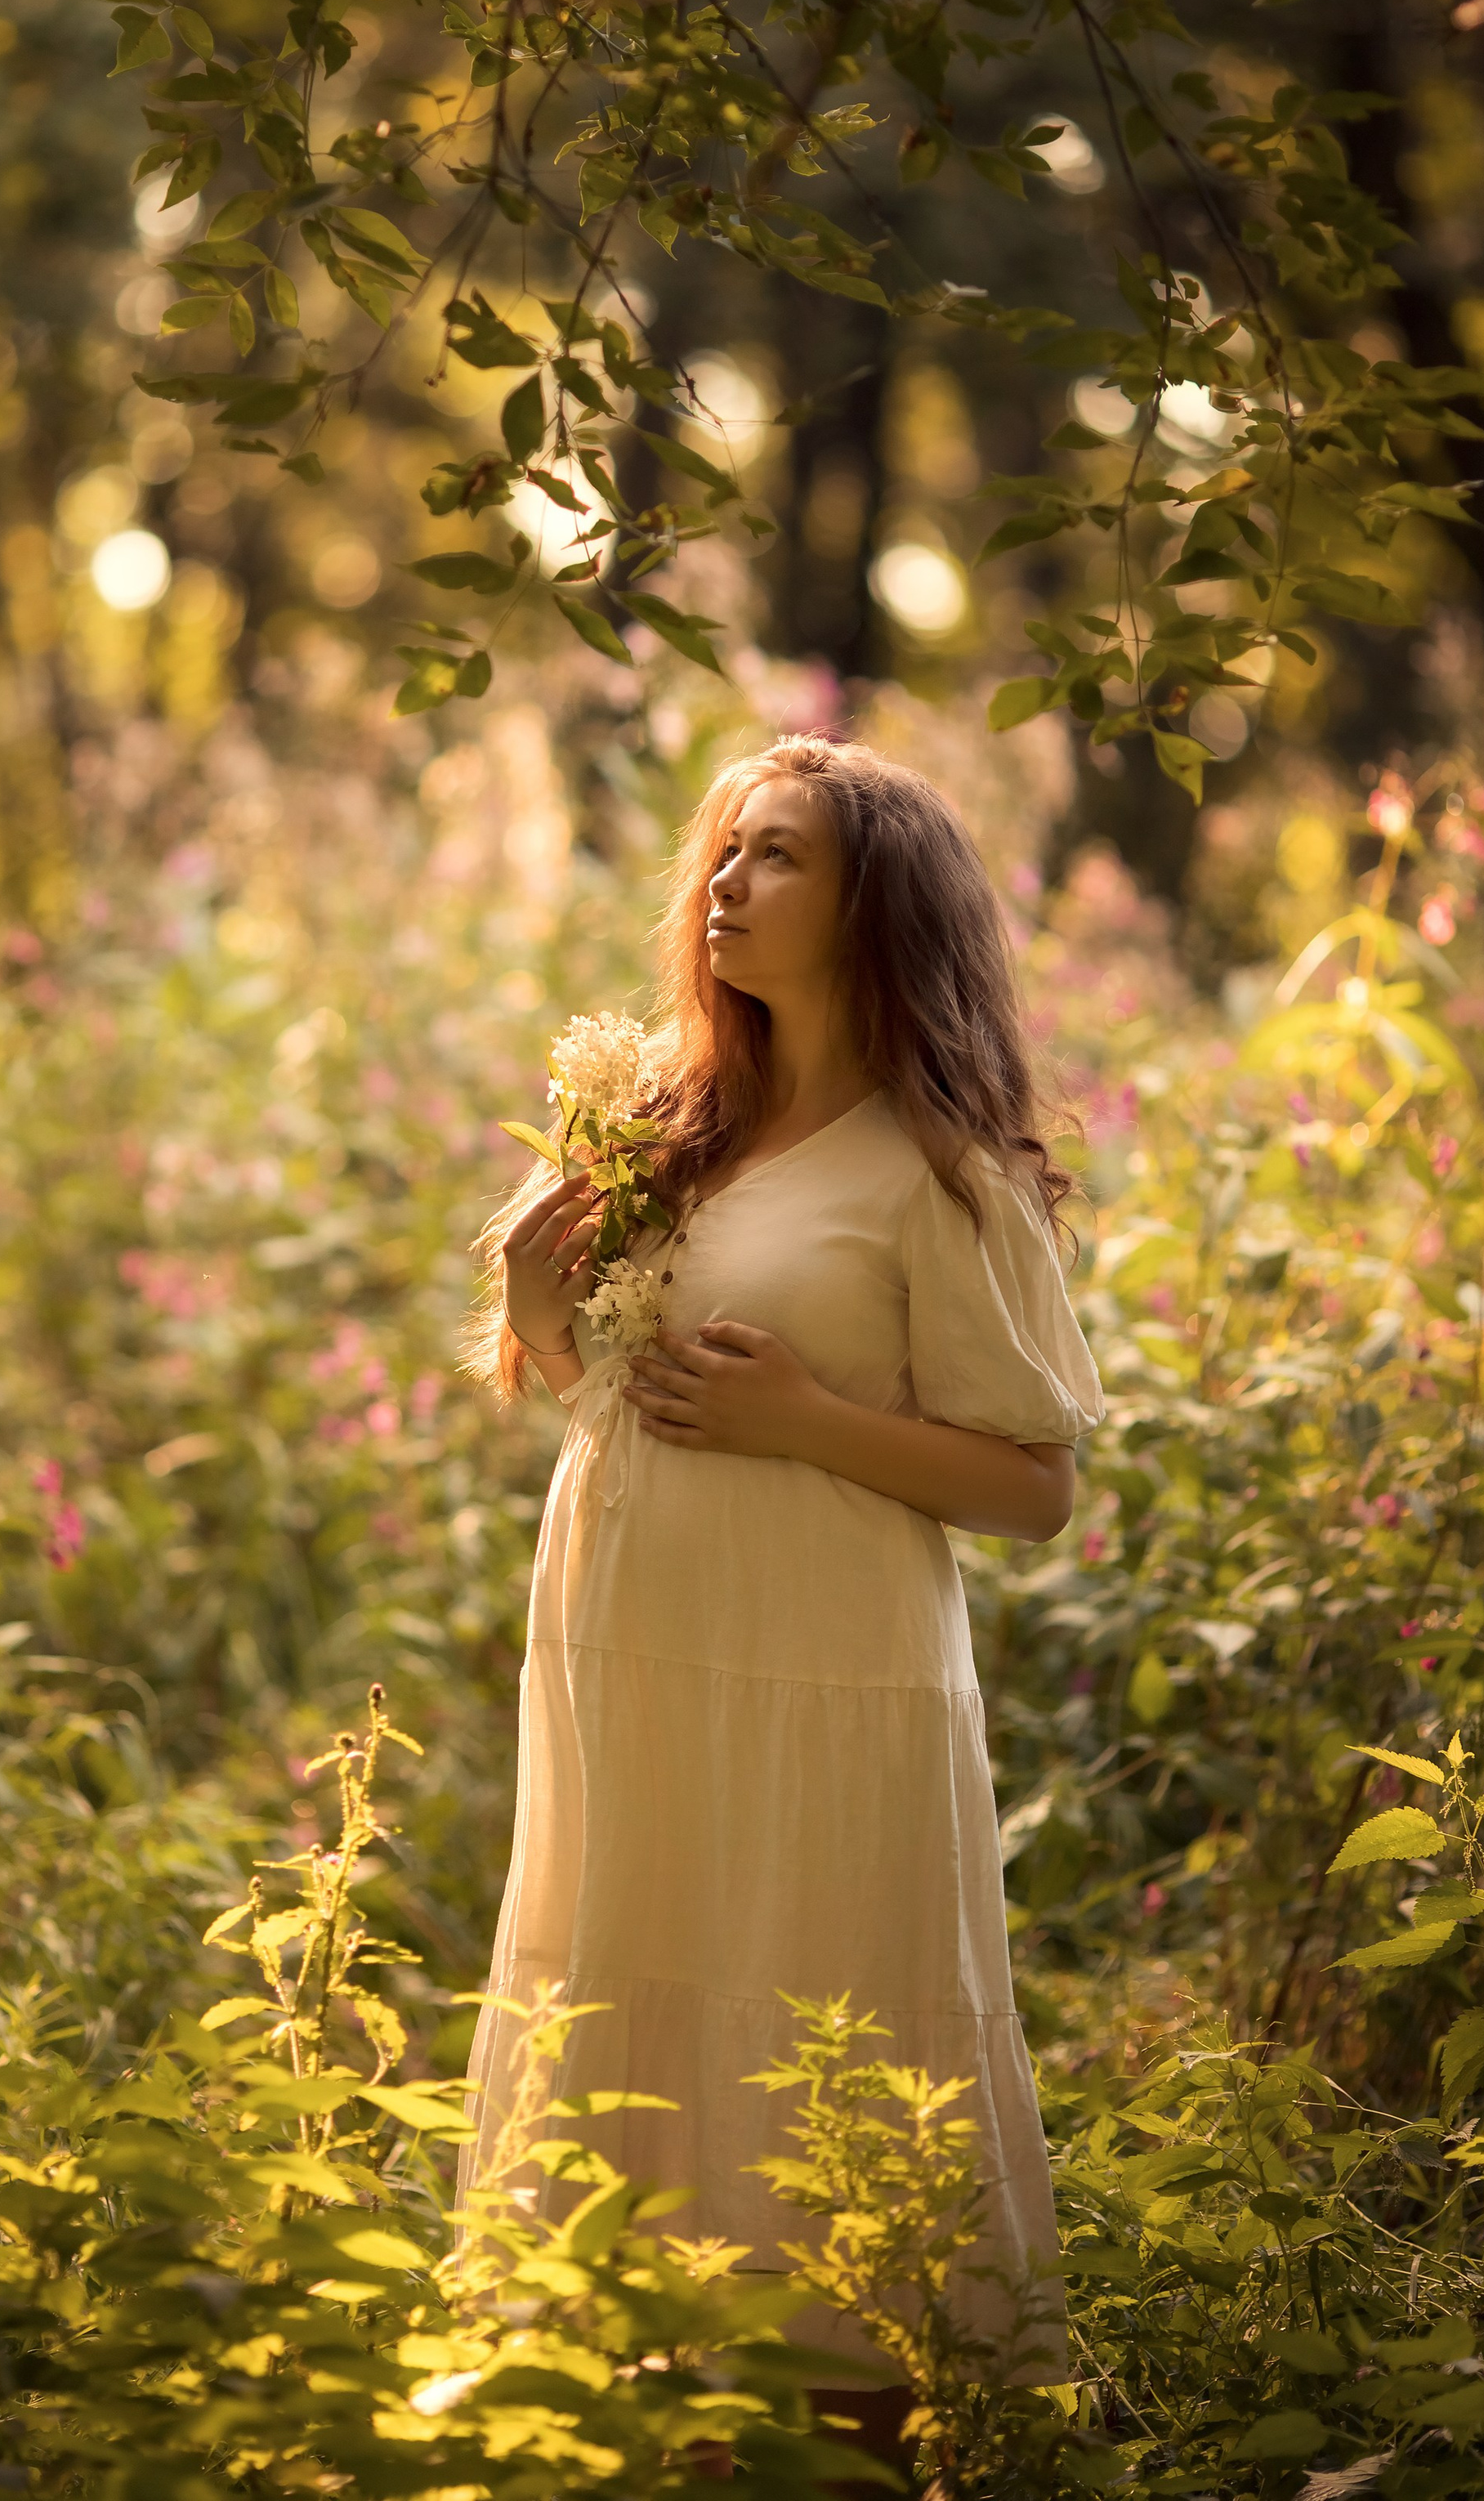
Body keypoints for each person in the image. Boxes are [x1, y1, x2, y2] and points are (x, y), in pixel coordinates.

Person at [458, 732, 1103, 2428]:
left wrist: (807, 1419)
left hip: (826, 1676)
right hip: (629, 1656)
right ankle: (625, 2398)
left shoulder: (936, 1170)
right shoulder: (675, 1132)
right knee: (632, 1976)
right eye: (723, 851)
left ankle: (857, 2425)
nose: (724, 883)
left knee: (812, 2004)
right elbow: (604, 1389)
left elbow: (1031, 1488)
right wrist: (534, 1297)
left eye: (777, 855)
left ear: (873, 904)